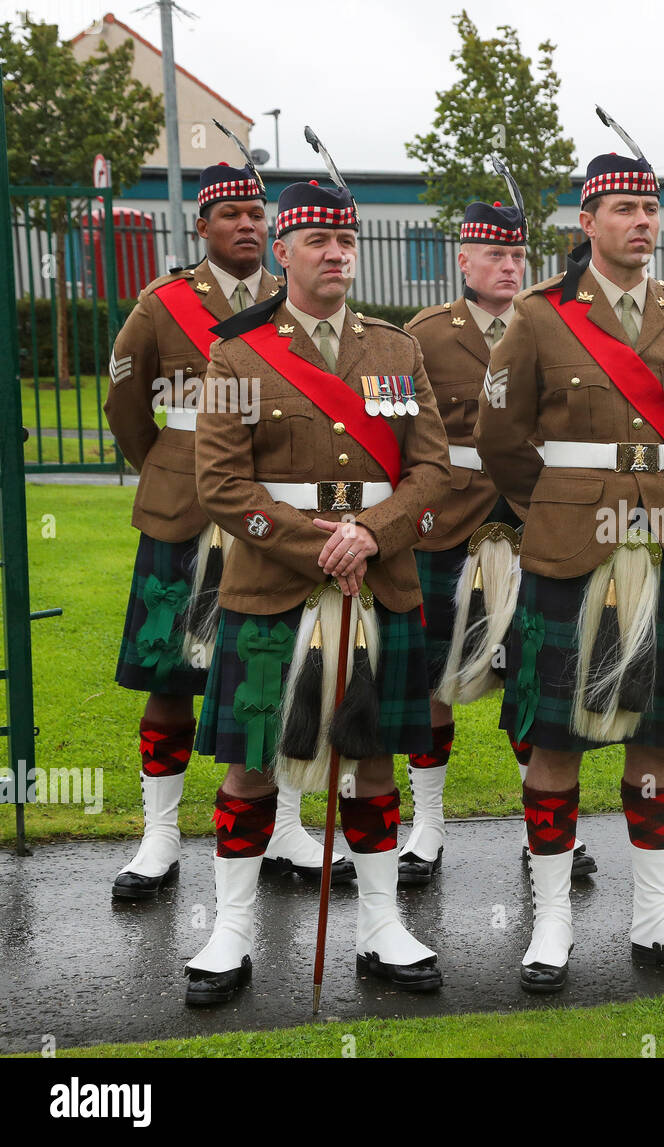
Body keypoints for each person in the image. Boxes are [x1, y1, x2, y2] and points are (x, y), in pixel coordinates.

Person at [185, 172, 453, 1004]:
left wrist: (373, 532)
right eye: (318, 241)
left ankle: (381, 926)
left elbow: (432, 465)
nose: (336, 254)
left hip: (380, 584)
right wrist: (321, 546)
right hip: (274, 588)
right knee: (250, 763)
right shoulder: (235, 353)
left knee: (372, 761)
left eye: (346, 241)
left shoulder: (396, 348)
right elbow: (221, 485)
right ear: (283, 251)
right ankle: (230, 929)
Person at [476, 141, 664, 993]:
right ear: (586, 223)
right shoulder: (541, 315)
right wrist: (555, 511)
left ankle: (657, 913)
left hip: (662, 544)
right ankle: (552, 917)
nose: (642, 224)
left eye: (650, 210)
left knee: (658, 736)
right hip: (570, 546)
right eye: (624, 210)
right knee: (557, 737)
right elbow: (501, 441)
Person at [104, 160, 353, 899]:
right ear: (202, 227)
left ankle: (283, 829)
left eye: (256, 212)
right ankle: (158, 834)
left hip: (273, 519)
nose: (247, 224)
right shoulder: (165, 302)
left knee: (276, 670)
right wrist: (168, 469)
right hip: (183, 514)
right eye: (231, 214)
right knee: (169, 675)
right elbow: (125, 402)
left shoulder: (299, 303)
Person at [403, 195, 596, 884]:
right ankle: (426, 825)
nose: (509, 265)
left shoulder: (553, 322)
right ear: (464, 260)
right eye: (494, 254)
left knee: (533, 674)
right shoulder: (425, 334)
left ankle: (544, 832)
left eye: (517, 254)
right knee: (430, 677)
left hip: (530, 519)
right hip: (447, 524)